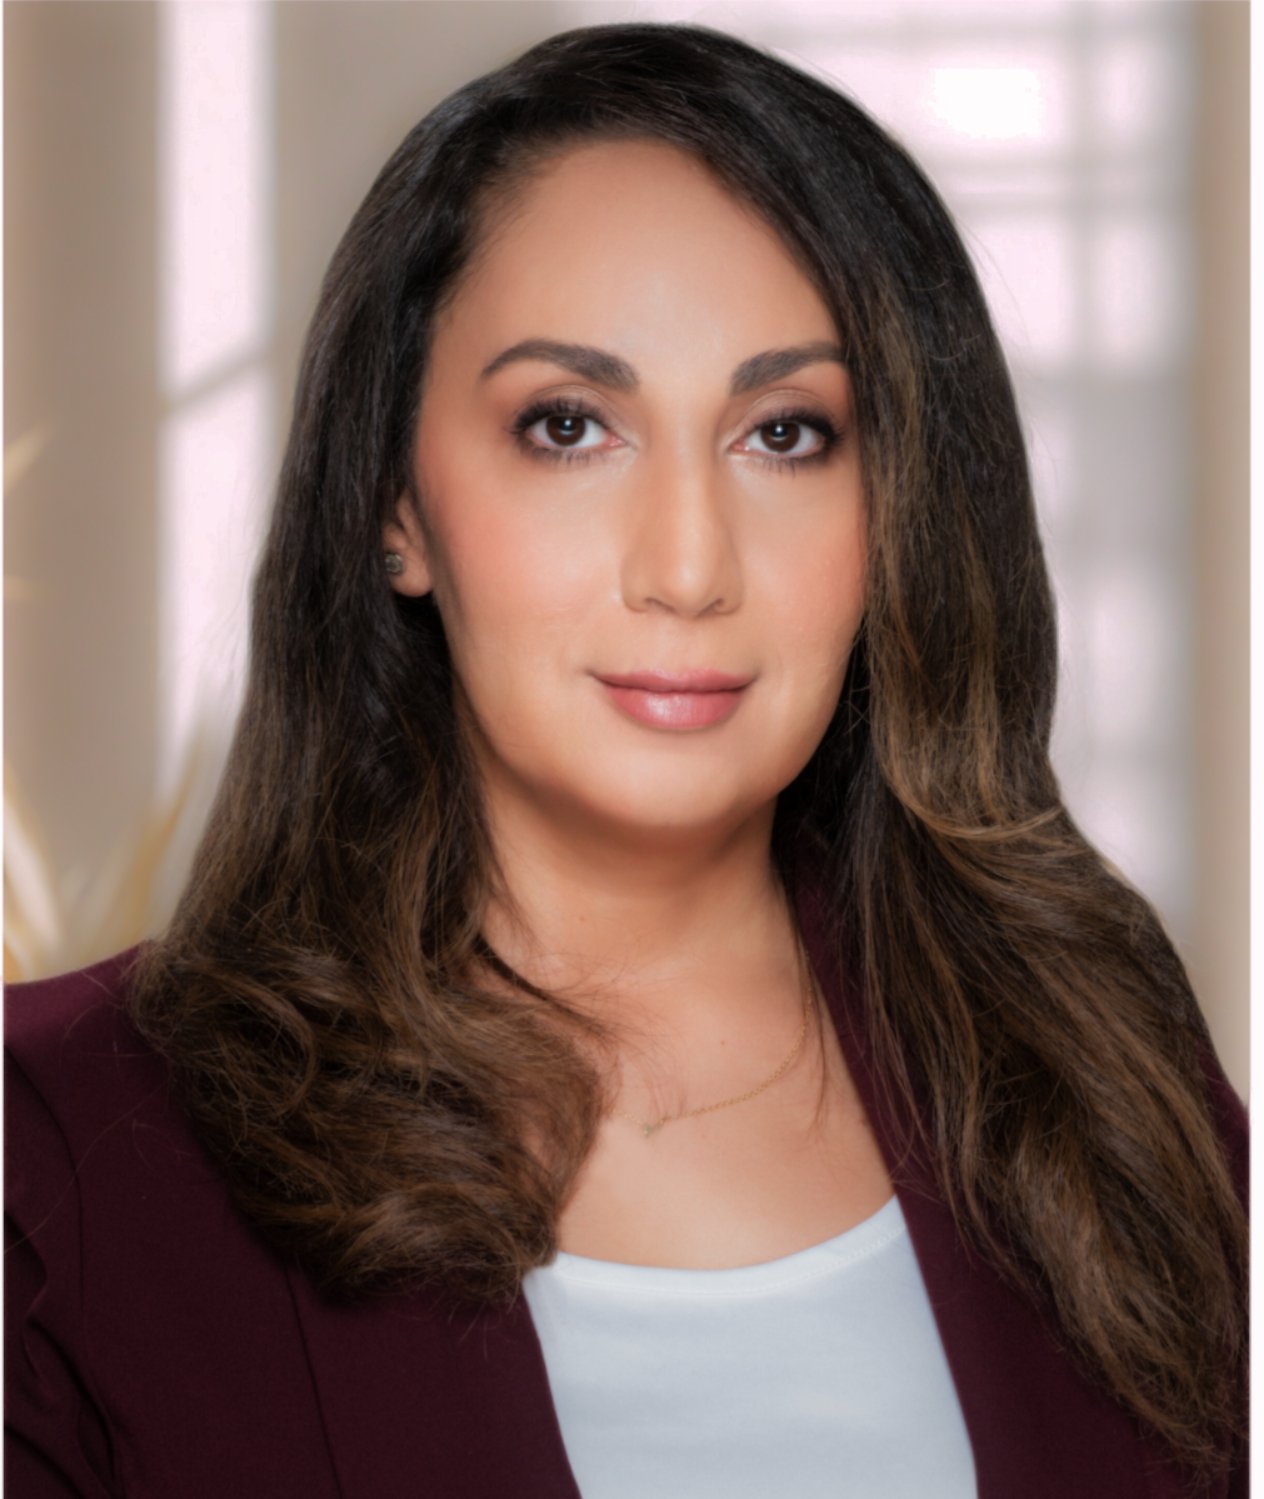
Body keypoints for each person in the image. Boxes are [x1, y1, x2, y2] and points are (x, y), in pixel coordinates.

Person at [5, 21, 1246, 1499]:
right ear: (394, 500)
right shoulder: (63, 1157)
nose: (687, 565)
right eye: (570, 425)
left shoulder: (1089, 1065)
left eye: (786, 434)